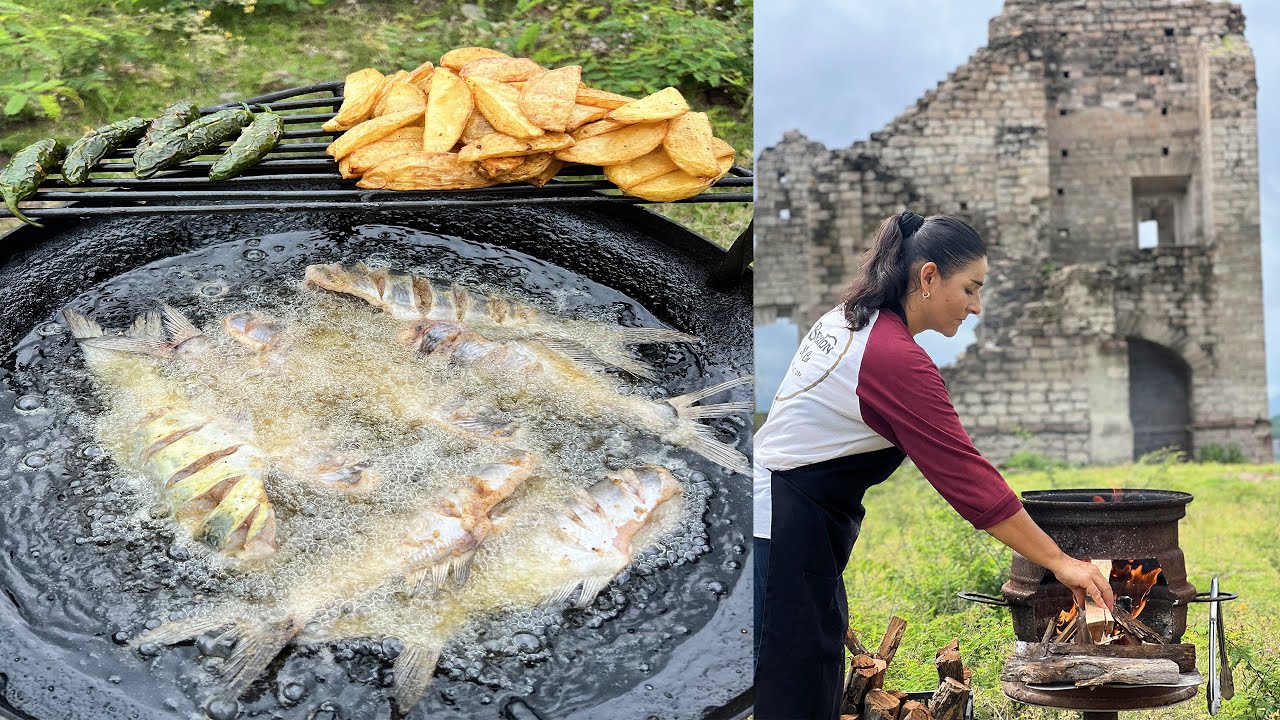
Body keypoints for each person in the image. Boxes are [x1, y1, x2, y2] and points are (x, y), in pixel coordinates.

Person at [752, 212, 1116, 720]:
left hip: (787, 519)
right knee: (792, 696)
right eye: (970, 288)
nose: (976, 305)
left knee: (807, 676)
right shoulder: (891, 358)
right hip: (784, 529)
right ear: (927, 277)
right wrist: (1061, 562)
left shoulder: (852, 318)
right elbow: (972, 484)